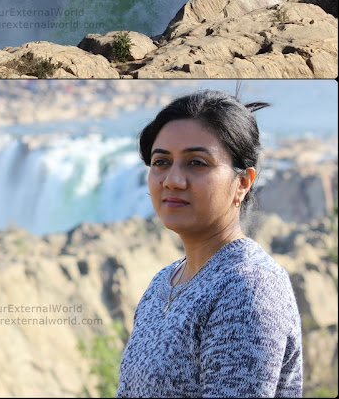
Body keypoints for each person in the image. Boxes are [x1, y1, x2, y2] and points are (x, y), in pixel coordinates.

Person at [116, 89, 303, 398]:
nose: (172, 180)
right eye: (161, 161)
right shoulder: (163, 282)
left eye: (197, 163)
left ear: (242, 182)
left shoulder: (248, 285)